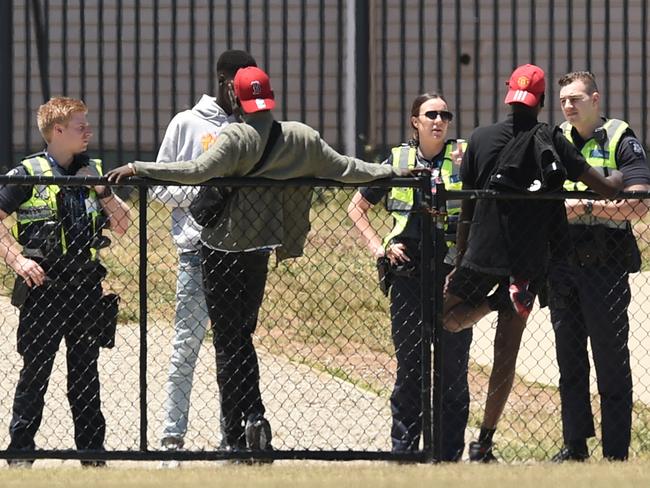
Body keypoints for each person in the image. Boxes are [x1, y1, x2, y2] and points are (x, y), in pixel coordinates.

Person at [106, 66, 404, 455]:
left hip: (220, 251)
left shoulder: (235, 137)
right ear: (270, 96)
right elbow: (348, 169)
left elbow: (193, 171)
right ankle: (253, 418)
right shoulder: (300, 137)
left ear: (238, 96)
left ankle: (238, 432)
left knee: (228, 343)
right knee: (240, 336)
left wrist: (139, 168)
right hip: (260, 251)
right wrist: (394, 171)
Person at [441, 64, 623, 462]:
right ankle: (483, 442)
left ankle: (494, 303)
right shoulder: (552, 140)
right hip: (526, 263)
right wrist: (623, 181)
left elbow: (468, 205)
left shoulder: (480, 138)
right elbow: (606, 188)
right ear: (541, 102)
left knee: (442, 318)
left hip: (480, 254)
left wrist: (458, 256)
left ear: (509, 94)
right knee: (505, 357)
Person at [0, 97, 131, 467]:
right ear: (57, 131)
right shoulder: (28, 173)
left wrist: (103, 190)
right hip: (44, 289)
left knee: (85, 379)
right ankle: (20, 456)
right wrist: (19, 260)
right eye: (80, 126)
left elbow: (122, 225)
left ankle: (92, 457)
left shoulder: (93, 172)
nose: (88, 131)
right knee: (34, 376)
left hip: (86, 290)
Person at [347, 93, 471, 461]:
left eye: (445, 114)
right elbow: (357, 206)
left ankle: (448, 454)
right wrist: (379, 248)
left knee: (453, 371)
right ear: (415, 121)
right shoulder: (398, 159)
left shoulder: (464, 158)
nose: (439, 120)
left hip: (451, 274)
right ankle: (404, 452)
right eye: (431, 114)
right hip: (408, 274)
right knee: (410, 369)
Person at [151, 50, 257, 462]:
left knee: (234, 349)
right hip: (196, 251)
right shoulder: (187, 123)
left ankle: (232, 438)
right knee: (185, 348)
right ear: (224, 80)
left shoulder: (248, 127)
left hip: (240, 254)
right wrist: (206, 192)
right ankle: (171, 441)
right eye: (240, 83)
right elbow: (158, 186)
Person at [549, 71, 650, 462]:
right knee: (569, 362)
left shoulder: (620, 139)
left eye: (576, 98)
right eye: (563, 101)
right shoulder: (555, 140)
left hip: (605, 266)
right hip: (563, 264)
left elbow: (641, 204)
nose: (569, 106)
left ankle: (615, 452)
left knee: (610, 360)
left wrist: (585, 207)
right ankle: (574, 447)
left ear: (595, 98)